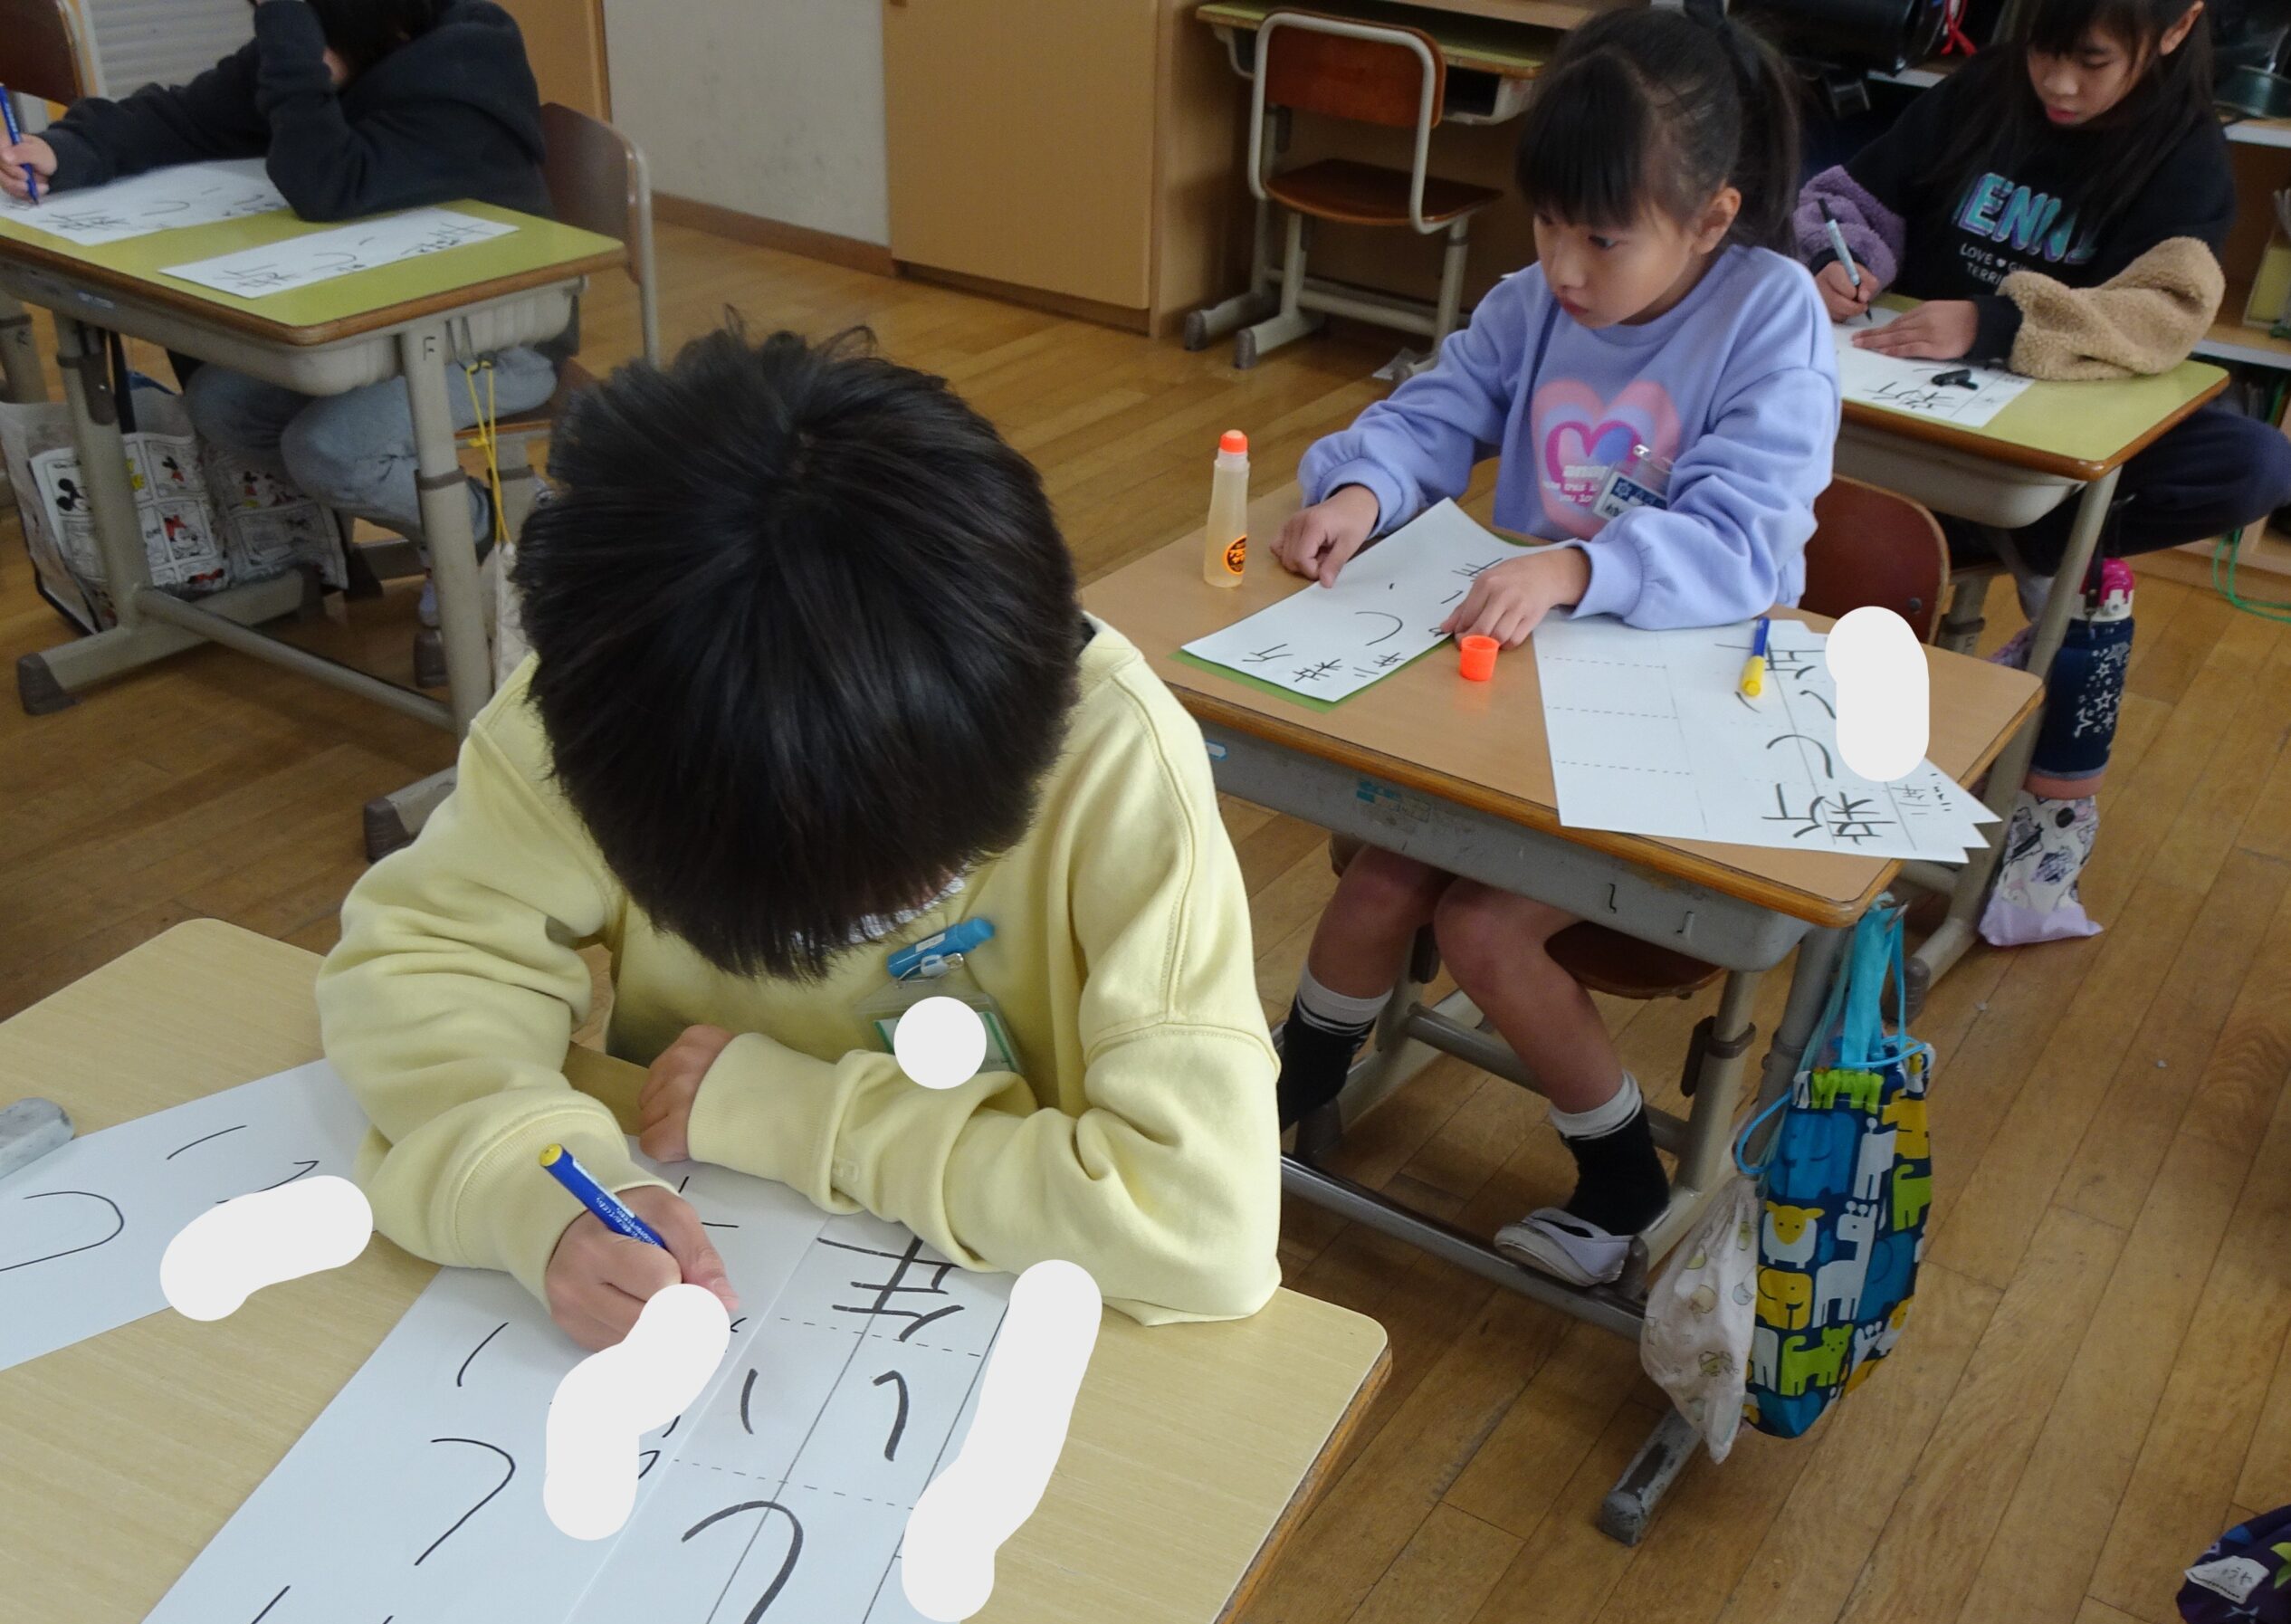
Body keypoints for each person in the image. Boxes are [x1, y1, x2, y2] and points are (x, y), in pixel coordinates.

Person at [316, 325, 1281, 1345]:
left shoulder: (1118, 761)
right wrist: (535, 1188)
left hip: (1002, 1318)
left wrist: (803, 1115)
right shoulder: (616, 704)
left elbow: (1201, 1229)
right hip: (718, 1236)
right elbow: (430, 962)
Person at [1269, 8, 1837, 1288]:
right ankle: (1282, 1094)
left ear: (1709, 219)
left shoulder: (1768, 314)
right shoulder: (1535, 301)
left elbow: (1746, 545)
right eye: (1544, 225)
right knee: (1377, 885)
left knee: (1482, 926)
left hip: (1682, 705)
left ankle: (1624, 1183)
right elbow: (1435, 410)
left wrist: (1578, 566)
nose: (1563, 268)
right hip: (1525, 686)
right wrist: (1361, 489)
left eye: (1601, 238)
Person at [1796, 0, 2291, 940]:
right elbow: (1848, 197)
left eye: (2090, 63)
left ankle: (2041, 536)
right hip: (1901, 423)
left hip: (2037, 435)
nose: (2058, 85)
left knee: (2252, 462)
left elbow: (2158, 315)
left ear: (2174, 28)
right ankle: (2037, 546)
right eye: (2043, 55)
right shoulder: (1987, 88)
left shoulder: (2185, 155)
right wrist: (1842, 259)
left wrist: (1995, 323)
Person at [0, 0, 562, 687]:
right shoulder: (330, 39)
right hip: (372, 322)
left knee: (328, 449)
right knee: (222, 406)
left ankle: (486, 533)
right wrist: (68, 148)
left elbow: (328, 183)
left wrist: (297, 59)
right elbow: (186, 116)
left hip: (499, 335)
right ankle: (443, 527)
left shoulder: (461, 75)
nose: (291, 64)